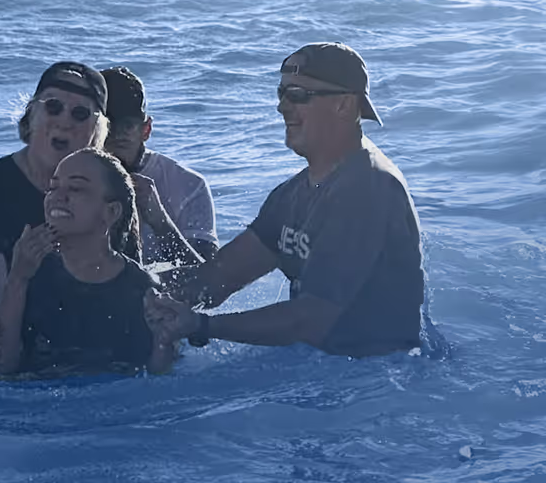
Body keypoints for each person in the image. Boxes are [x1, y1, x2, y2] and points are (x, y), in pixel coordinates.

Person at [145, 43, 424, 357]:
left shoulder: (368, 189)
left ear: (344, 105)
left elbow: (312, 320)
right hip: (328, 365)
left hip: (384, 371)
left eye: (298, 95)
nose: (282, 107)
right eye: (281, 94)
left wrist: (201, 326)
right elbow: (219, 278)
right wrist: (144, 291)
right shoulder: (292, 195)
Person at [0, 148, 177, 376]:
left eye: (76, 188)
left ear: (111, 211)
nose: (57, 196)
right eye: (52, 187)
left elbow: (157, 374)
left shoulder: (141, 289)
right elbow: (1, 367)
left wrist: (163, 342)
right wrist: (17, 278)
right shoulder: (31, 274)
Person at [0, 62, 110, 333]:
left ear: (96, 132)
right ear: (31, 116)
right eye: (53, 106)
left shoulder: (108, 198)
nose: (65, 121)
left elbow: (126, 283)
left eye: (80, 114)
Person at [101, 66, 219, 266]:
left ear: (146, 129)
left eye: (127, 125)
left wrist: (160, 222)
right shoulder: (65, 179)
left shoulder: (190, 186)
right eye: (109, 125)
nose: (117, 134)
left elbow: (209, 279)